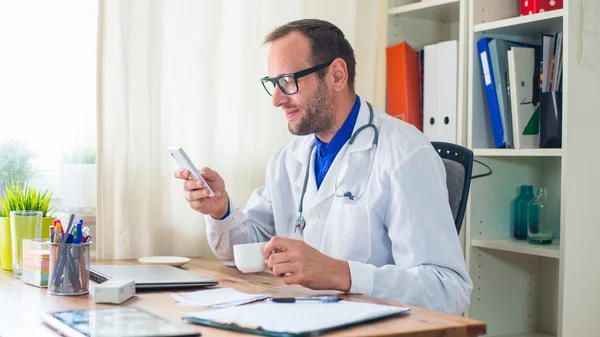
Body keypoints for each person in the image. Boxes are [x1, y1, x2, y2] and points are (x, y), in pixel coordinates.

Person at [174, 19, 472, 314]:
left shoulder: (406, 154)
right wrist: (220, 211)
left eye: (288, 82)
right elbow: (250, 249)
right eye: (272, 84)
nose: (277, 99)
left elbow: (448, 289)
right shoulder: (288, 159)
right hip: (300, 318)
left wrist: (343, 274)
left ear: (337, 75)